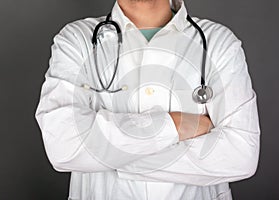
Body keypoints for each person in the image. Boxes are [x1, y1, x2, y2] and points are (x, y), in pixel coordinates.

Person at [35, 0, 261, 199]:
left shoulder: (218, 43)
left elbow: (240, 155)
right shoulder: (77, 40)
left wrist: (112, 157)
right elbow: (64, 146)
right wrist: (176, 125)